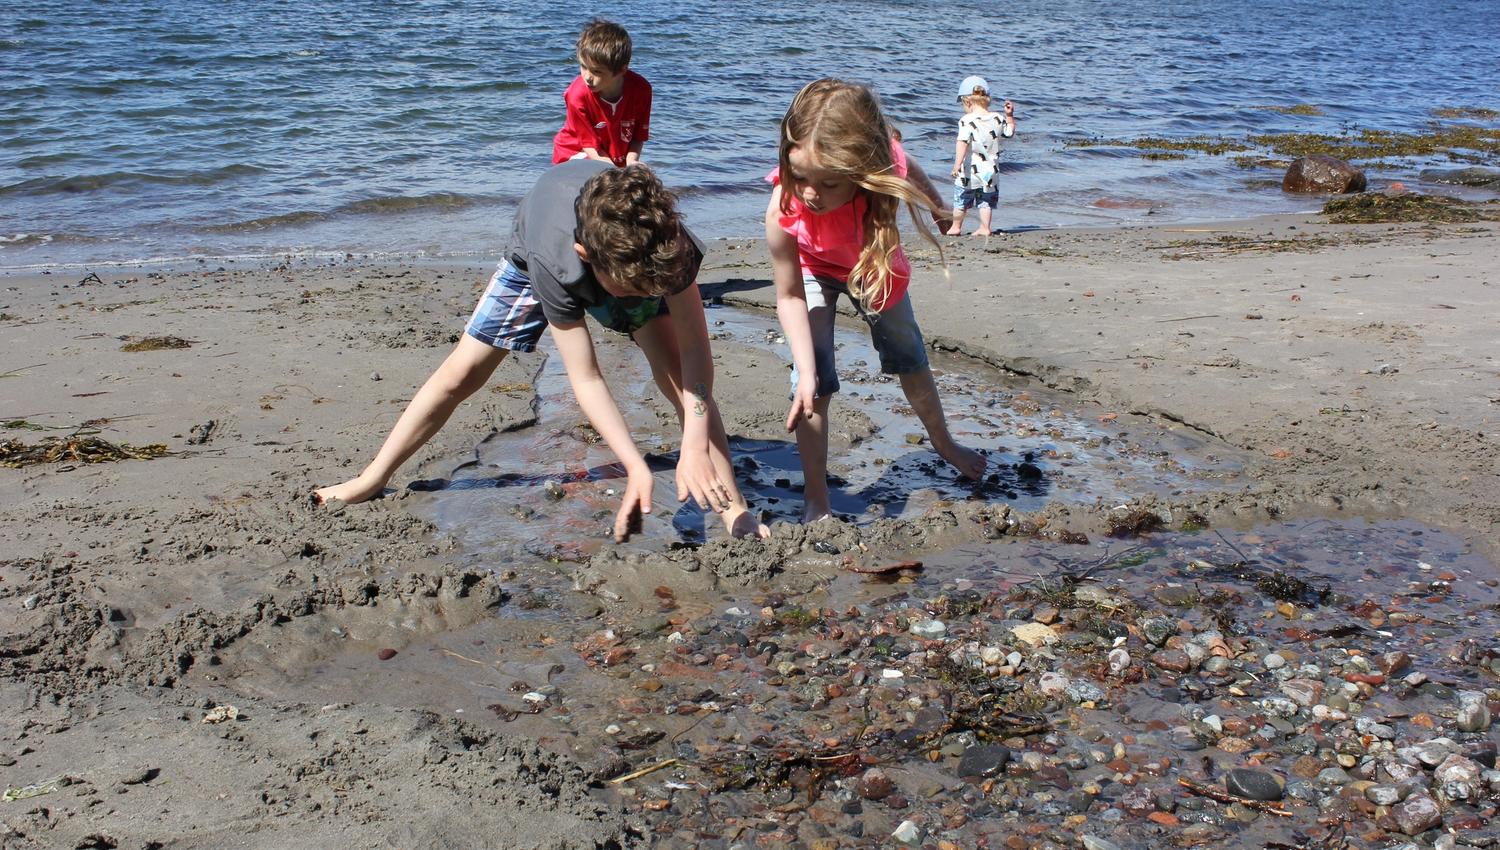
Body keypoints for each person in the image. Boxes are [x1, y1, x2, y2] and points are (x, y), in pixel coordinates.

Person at [316, 161, 767, 543]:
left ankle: (735, 512)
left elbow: (695, 354)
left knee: (677, 380)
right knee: (463, 373)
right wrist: (634, 464)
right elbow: (586, 377)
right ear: (585, 256)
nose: (640, 298)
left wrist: (692, 438)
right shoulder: (555, 261)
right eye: (631, 291)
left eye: (649, 289)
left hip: (625, 258)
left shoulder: (667, 249)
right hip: (535, 255)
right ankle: (372, 477)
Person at [765, 78, 987, 523]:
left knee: (908, 355)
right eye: (801, 176)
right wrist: (805, 369)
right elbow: (788, 295)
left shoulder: (887, 166)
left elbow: (912, 169)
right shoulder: (786, 205)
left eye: (829, 183)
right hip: (811, 270)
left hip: (872, 258)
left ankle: (944, 442)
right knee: (812, 385)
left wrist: (940, 210)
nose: (811, 193)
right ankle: (816, 497)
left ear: (862, 168)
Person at [552, 19, 651, 168]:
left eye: (597, 71)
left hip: (614, 159)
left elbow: (638, 137)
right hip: (574, 155)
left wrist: (632, 163)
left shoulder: (641, 90)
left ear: (621, 70)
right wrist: (615, 172)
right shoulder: (576, 95)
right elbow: (589, 147)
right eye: (584, 67)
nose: (587, 77)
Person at [947, 75, 1015, 237]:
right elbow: (1009, 133)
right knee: (986, 201)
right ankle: (985, 227)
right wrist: (1010, 116)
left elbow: (962, 142)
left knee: (961, 199)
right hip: (990, 170)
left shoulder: (966, 120)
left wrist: (957, 164)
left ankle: (956, 227)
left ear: (967, 102)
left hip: (969, 171)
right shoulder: (998, 118)